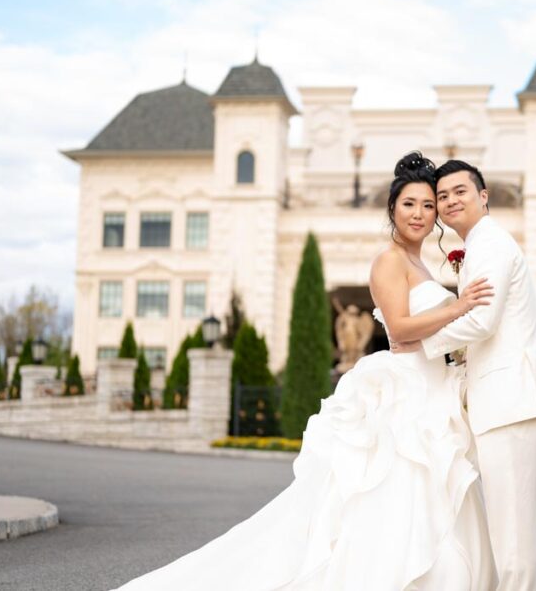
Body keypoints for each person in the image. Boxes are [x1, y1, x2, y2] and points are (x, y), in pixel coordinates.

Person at [114, 152, 497, 590]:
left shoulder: (422, 264)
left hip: (432, 396)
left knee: (435, 511)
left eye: (429, 206)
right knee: (396, 509)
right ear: (392, 208)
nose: (420, 214)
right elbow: (401, 332)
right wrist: (460, 308)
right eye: (410, 203)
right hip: (407, 400)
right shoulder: (388, 261)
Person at [421, 160, 536, 591]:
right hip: (519, 398)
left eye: (459, 192)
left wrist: (422, 344)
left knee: (512, 535)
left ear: (483, 196)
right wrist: (499, 356)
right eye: (442, 196)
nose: (450, 201)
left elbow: (481, 323)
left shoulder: (488, 242)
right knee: (522, 528)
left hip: (510, 405)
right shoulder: (493, 244)